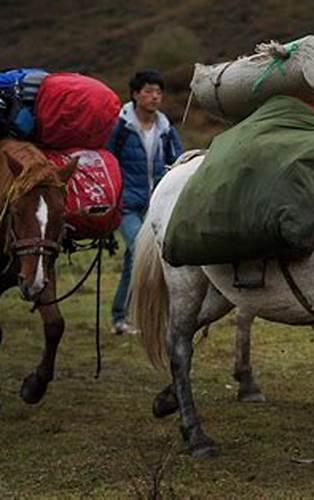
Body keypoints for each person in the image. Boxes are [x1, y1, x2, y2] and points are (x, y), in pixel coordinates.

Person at [108, 70, 183, 335]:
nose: (155, 97)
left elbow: (178, 162)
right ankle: (120, 316)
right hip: (127, 203)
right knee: (136, 252)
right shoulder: (122, 126)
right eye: (149, 91)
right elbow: (108, 160)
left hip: (157, 205)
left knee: (158, 258)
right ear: (135, 94)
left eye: (159, 92)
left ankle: (148, 315)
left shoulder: (165, 129)